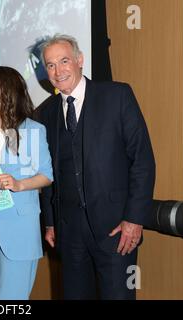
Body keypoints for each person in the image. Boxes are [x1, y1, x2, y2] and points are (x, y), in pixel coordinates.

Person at [35, 34, 156, 299]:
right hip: (69, 234)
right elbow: (48, 173)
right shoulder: (45, 112)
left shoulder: (117, 95)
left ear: (80, 60)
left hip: (116, 230)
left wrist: (134, 219)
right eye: (51, 65)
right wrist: (51, 222)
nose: (58, 70)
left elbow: (142, 161)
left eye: (64, 61)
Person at [0, 66, 53, 300]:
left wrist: (19, 184)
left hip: (20, 232)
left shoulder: (33, 130)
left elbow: (47, 175)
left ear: (3, 90)